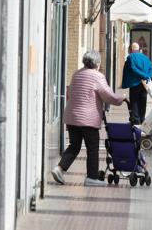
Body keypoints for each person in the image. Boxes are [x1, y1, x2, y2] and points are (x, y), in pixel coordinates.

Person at [51, 50, 126, 187]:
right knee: (92, 147)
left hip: (72, 117)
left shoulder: (76, 74)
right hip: (88, 119)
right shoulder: (98, 76)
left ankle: (59, 168)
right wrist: (122, 98)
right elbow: (108, 96)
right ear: (97, 63)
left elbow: (70, 92)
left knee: (74, 146)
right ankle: (91, 177)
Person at [121, 42, 152, 124]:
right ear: (139, 49)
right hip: (144, 84)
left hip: (134, 83)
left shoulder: (130, 57)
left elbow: (133, 68)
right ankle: (142, 119)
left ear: (131, 49)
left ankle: (136, 121)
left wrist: (143, 76)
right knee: (143, 101)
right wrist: (147, 76)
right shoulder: (146, 58)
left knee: (134, 102)